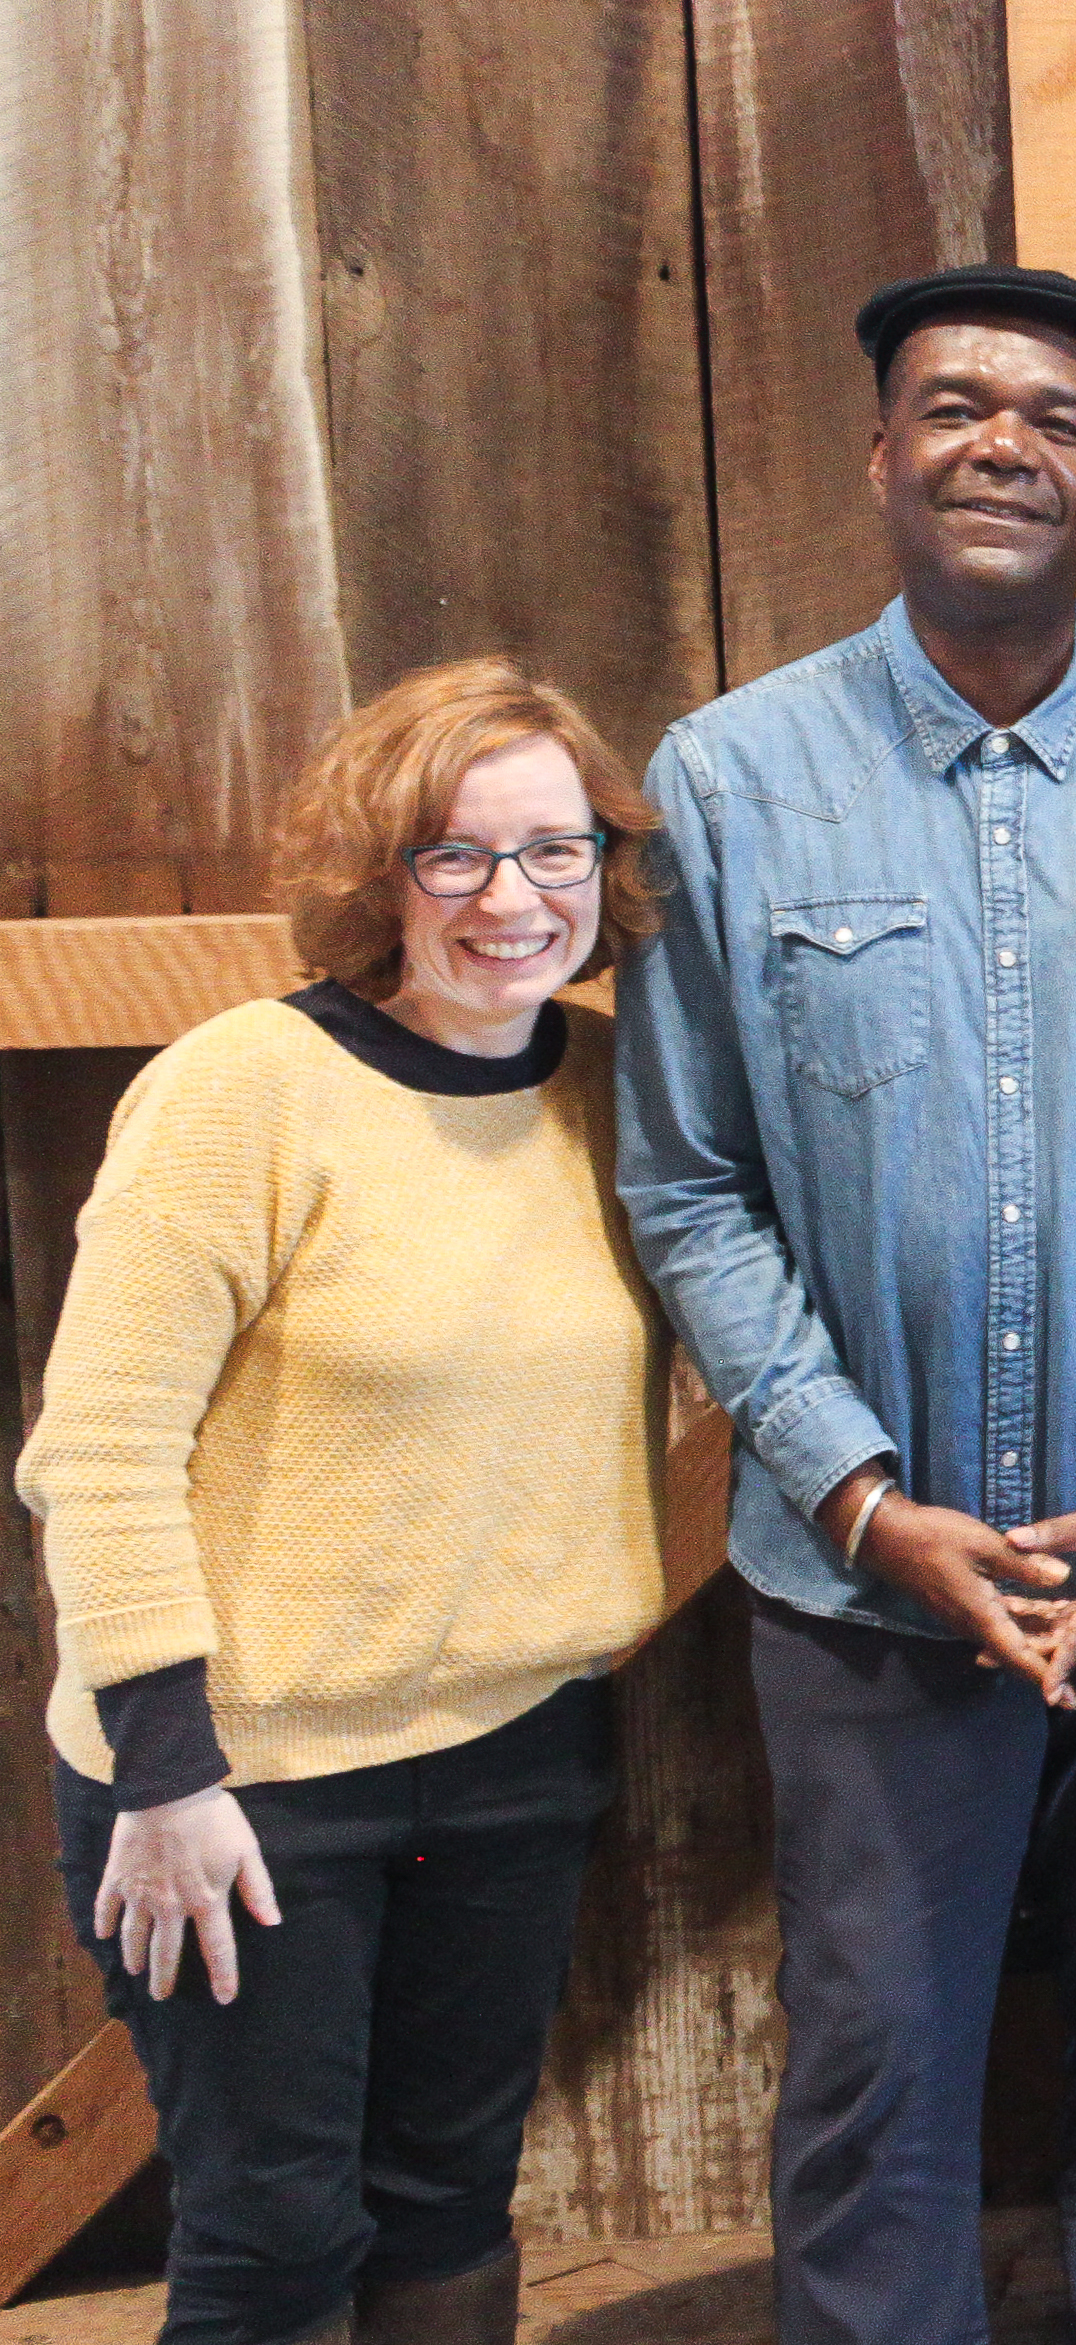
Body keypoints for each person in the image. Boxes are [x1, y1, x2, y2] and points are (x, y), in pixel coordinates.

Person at [614, 266, 1076, 2345]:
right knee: (874, 2082)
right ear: (882, 454)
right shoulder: (733, 781)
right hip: (869, 1592)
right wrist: (865, 1495)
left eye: (1051, 416)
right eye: (953, 406)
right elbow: (684, 1179)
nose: (1002, 442)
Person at [17, 659, 681, 2345]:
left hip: (516, 1750)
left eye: (554, 849)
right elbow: (97, 1442)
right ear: (375, 877)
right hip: (245, 1778)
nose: (512, 897)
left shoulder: (608, 1096)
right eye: (452, 854)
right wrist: (165, 1764)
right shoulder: (245, 1088)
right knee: (273, 2230)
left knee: (450, 2198)